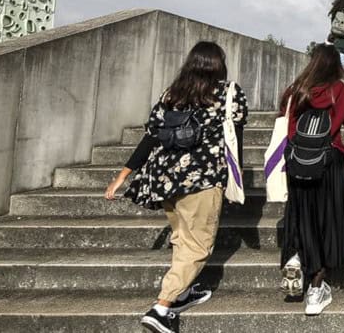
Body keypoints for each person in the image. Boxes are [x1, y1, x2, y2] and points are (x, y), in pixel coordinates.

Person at [104, 41, 247, 333]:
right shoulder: (228, 93)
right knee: (199, 244)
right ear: (218, 65)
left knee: (182, 238)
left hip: (164, 179)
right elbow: (235, 139)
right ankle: (162, 307)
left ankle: (182, 292)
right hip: (202, 179)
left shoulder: (172, 94)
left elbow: (151, 136)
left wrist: (123, 174)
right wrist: (235, 177)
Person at [278, 43, 344, 316]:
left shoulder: (295, 92)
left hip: (298, 163)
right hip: (329, 165)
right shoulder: (343, 92)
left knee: (302, 216)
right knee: (328, 222)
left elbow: (283, 126)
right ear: (336, 66)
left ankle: (297, 255)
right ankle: (316, 289)